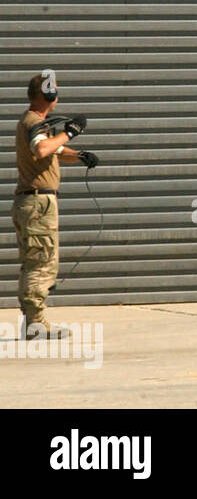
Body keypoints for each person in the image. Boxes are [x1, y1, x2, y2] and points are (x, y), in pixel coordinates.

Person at [13, 72, 98, 339]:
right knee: (41, 263)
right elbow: (42, 150)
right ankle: (35, 324)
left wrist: (80, 156)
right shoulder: (33, 122)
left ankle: (34, 321)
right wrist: (69, 132)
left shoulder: (37, 124)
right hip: (38, 203)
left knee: (37, 260)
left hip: (36, 202)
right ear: (48, 95)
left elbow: (54, 151)